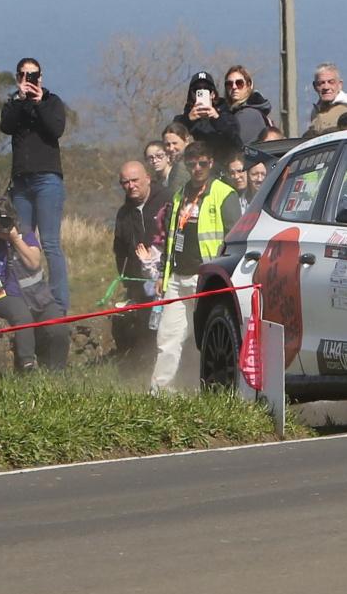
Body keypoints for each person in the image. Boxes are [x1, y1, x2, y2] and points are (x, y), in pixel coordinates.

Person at [149, 143, 239, 393]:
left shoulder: (224, 193)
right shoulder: (179, 195)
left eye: (202, 163)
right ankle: (159, 391)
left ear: (211, 163)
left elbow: (234, 236)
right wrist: (163, 273)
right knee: (167, 337)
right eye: (191, 164)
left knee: (208, 338)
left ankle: (215, 391)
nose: (197, 169)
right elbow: (170, 237)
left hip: (208, 278)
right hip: (177, 277)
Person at [0, 56, 70, 312]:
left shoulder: (52, 102)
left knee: (50, 243)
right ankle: (28, 298)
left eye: (34, 75)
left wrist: (38, 103)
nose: (29, 80)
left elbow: (55, 129)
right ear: (18, 77)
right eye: (24, 75)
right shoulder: (13, 105)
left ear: (41, 77)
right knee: (22, 242)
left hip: (47, 180)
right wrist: (20, 100)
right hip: (21, 183)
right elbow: (5, 126)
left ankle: (59, 303)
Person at [0, 195, 67, 371]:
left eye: (4, 220)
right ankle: (27, 365)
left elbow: (34, 262)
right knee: (22, 315)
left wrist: (15, 238)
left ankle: (57, 370)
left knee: (58, 325)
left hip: (35, 294)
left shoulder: (24, 233)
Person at [110, 162, 161, 359]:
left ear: (147, 178)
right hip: (139, 285)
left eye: (135, 180)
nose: (131, 186)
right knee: (143, 332)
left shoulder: (166, 200)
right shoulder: (123, 214)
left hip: (165, 278)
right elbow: (120, 251)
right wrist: (127, 283)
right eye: (125, 182)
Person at [220, 67, 274, 148]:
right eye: (229, 84)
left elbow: (236, 149)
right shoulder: (234, 112)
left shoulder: (249, 114)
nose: (234, 87)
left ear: (249, 85)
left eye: (239, 83)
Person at [305, 63, 347, 136]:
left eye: (331, 82)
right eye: (321, 83)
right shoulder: (315, 111)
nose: (326, 87)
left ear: (340, 85)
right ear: (315, 86)